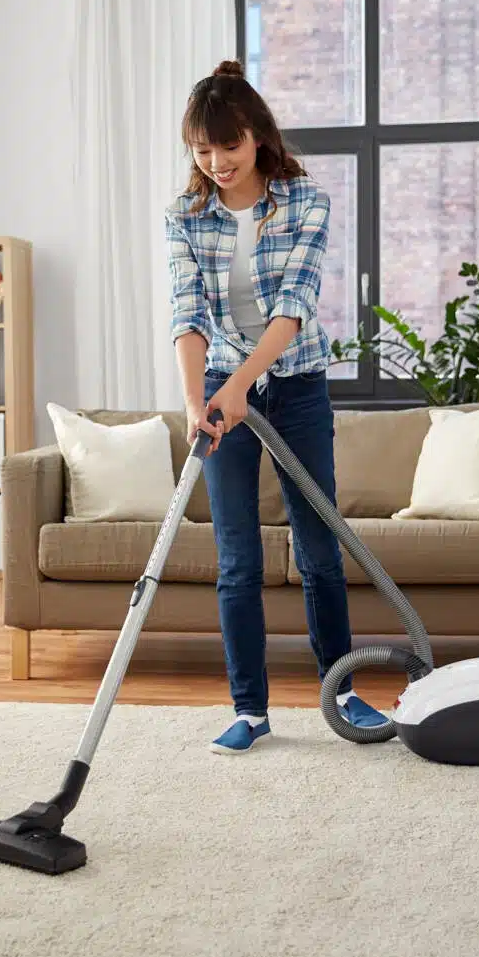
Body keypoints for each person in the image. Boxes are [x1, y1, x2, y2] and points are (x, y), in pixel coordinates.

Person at [166, 59, 389, 754]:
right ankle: (250, 710)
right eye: (202, 151)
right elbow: (187, 311)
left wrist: (240, 389)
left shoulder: (303, 202)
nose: (216, 162)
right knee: (235, 558)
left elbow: (294, 306)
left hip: (292, 386)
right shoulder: (185, 214)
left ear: (257, 136)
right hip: (219, 392)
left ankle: (342, 693)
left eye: (227, 147)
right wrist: (196, 400)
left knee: (317, 547)